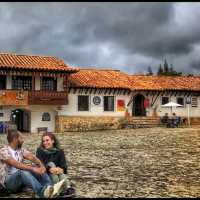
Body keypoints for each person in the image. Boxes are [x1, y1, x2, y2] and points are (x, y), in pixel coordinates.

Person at [0, 130, 67, 198]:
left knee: (35, 166)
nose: (23, 140)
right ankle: (41, 192)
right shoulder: (3, 151)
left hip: (20, 182)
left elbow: (32, 157)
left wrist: (41, 166)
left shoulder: (20, 150)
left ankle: (50, 188)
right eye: (21, 138)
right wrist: (33, 169)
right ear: (15, 139)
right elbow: (16, 164)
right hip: (9, 184)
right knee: (23, 171)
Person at [36, 132, 75, 197]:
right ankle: (65, 188)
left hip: (58, 174)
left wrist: (59, 169)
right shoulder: (40, 151)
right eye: (43, 141)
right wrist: (50, 169)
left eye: (47, 140)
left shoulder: (60, 151)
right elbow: (39, 165)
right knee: (51, 164)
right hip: (45, 174)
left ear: (53, 141)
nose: (45, 143)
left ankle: (59, 189)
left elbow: (64, 167)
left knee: (61, 174)